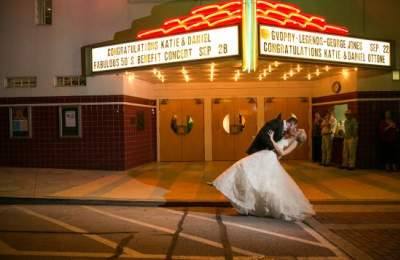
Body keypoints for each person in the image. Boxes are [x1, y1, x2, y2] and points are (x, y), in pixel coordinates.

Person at [212, 129, 315, 222]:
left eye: (298, 131)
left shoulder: (295, 142)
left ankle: (254, 204)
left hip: (269, 158)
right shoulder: (288, 138)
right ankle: (245, 200)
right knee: (248, 170)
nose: (296, 130)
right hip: (267, 155)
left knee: (257, 178)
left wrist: (272, 140)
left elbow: (282, 153)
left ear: (299, 135)